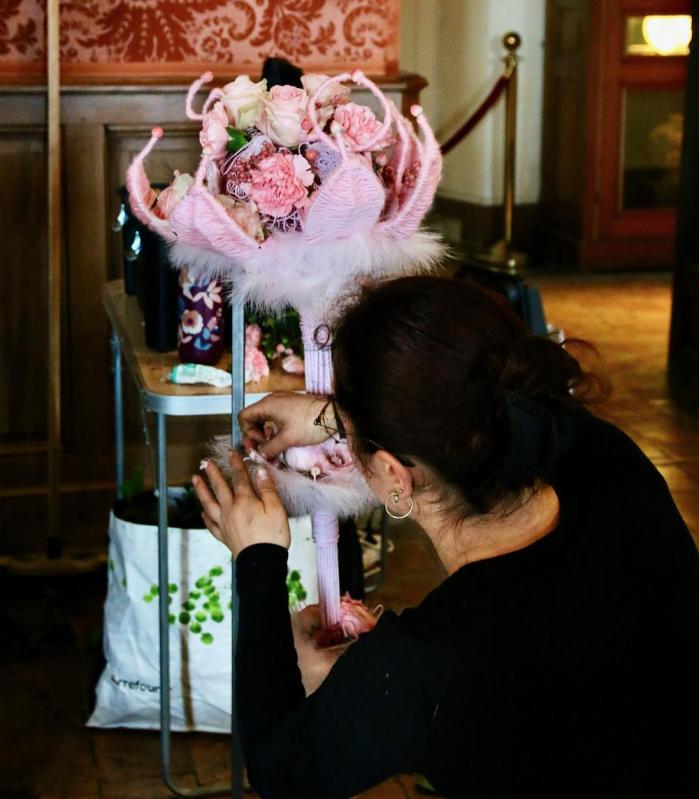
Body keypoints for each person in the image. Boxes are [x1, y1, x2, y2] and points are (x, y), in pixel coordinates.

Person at [192, 276, 699, 798]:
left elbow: (280, 773)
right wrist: (337, 417)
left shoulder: (426, 666)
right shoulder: (603, 455)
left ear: (394, 477)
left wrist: (257, 561)